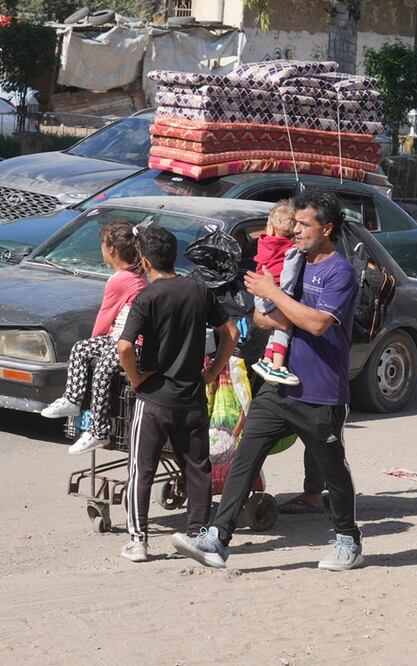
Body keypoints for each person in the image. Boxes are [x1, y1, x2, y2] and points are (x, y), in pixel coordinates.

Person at [172, 190, 364, 571]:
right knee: (245, 456)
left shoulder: (340, 272)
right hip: (278, 385)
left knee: (333, 470)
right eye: (295, 224)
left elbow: (317, 324)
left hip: (321, 391)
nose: (296, 231)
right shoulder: (293, 261)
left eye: (304, 224)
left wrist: (276, 297)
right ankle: (217, 538)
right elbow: (261, 317)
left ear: (326, 229)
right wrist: (278, 305)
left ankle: (348, 539)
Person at [115, 225, 238, 563]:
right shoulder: (199, 290)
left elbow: (124, 346)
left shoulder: (147, 298)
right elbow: (230, 331)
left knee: (142, 469)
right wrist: (212, 371)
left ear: (144, 260)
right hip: (192, 397)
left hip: (154, 399)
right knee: (197, 468)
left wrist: (136, 379)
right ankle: (197, 534)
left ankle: (138, 541)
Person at [41, 220, 148, 453]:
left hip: (130, 343)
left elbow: (106, 315)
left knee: (101, 372)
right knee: (80, 348)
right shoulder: (134, 276)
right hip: (119, 338)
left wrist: (96, 339)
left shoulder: (120, 280)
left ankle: (99, 431)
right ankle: (72, 399)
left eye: (102, 244)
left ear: (111, 249)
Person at [251, 200, 302, 387]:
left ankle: (267, 360)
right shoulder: (292, 251)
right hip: (274, 291)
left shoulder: (263, 243)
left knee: (275, 327)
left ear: (271, 228)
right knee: (283, 327)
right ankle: (278, 366)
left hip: (259, 295)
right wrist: (284, 298)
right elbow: (289, 275)